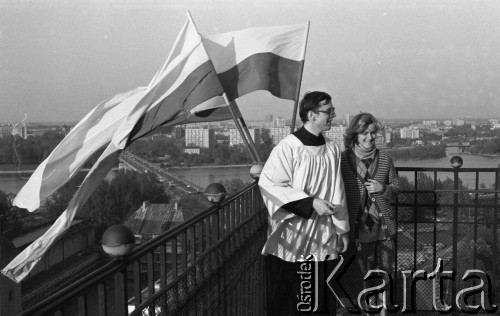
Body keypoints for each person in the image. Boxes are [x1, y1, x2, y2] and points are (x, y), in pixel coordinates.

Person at [258, 91, 350, 315]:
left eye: (332, 111)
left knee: (320, 298)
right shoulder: (288, 148)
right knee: (291, 299)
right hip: (293, 234)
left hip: (323, 234)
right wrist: (310, 203)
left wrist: (342, 229)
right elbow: (269, 185)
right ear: (311, 115)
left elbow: (337, 192)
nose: (332, 116)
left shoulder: (331, 149)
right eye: (328, 112)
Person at [340, 112, 400, 315]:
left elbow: (396, 188)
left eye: (373, 133)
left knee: (384, 273)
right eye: (364, 133)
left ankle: (382, 312)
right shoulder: (342, 160)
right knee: (360, 275)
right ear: (354, 135)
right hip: (356, 230)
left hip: (383, 229)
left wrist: (383, 188)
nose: (370, 137)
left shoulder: (385, 159)